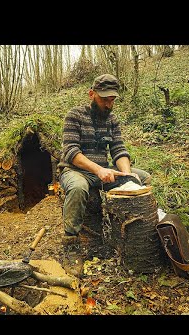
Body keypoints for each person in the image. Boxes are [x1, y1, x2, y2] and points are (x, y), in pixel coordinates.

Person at [57, 74, 151, 275]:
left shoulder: (112, 120)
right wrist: (98, 169)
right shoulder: (74, 116)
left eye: (112, 100)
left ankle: (130, 235)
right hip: (76, 171)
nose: (108, 104)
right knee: (77, 188)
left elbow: (119, 150)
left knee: (141, 178)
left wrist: (126, 176)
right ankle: (71, 244)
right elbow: (71, 152)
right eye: (104, 99)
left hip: (104, 171)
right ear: (92, 94)